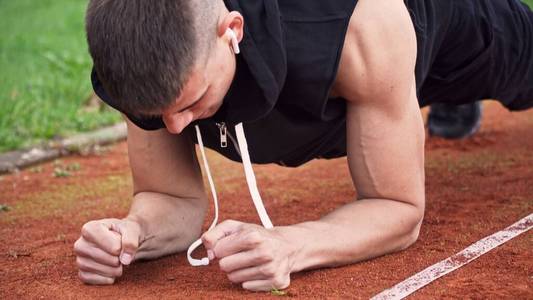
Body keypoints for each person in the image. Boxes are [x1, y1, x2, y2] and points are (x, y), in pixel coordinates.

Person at [74, 0, 533, 291]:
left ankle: (442, 94)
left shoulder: (361, 23)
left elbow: (396, 208)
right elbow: (170, 198)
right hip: (359, 85)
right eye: (157, 114)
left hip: (431, 28)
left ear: (230, 31)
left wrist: (290, 245)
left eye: (190, 102)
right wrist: (131, 232)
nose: (174, 129)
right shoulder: (138, 53)